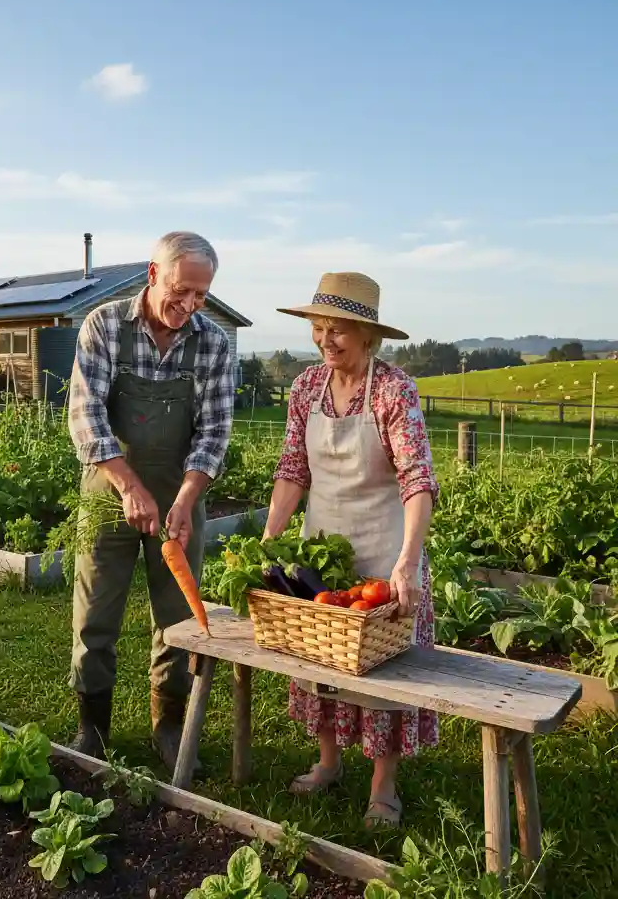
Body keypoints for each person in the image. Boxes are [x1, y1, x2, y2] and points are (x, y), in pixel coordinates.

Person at [263, 271, 439, 828]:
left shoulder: (393, 390)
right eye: (318, 328)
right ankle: (328, 762)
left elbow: (417, 478)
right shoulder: (306, 387)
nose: (325, 340)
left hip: (383, 550)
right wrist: (268, 538)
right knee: (321, 657)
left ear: (369, 336)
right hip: (323, 553)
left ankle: (383, 787)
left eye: (337, 329)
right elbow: (293, 469)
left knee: (383, 671)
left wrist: (407, 560)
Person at [66, 230, 235, 771]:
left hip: (179, 495)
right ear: (153, 274)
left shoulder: (213, 344)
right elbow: (86, 416)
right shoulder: (105, 326)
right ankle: (92, 728)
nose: (190, 305)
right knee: (95, 612)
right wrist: (128, 486)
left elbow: (213, 433)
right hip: (109, 490)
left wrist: (185, 498)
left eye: (201, 295)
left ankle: (168, 725)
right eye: (181, 291)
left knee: (178, 616)